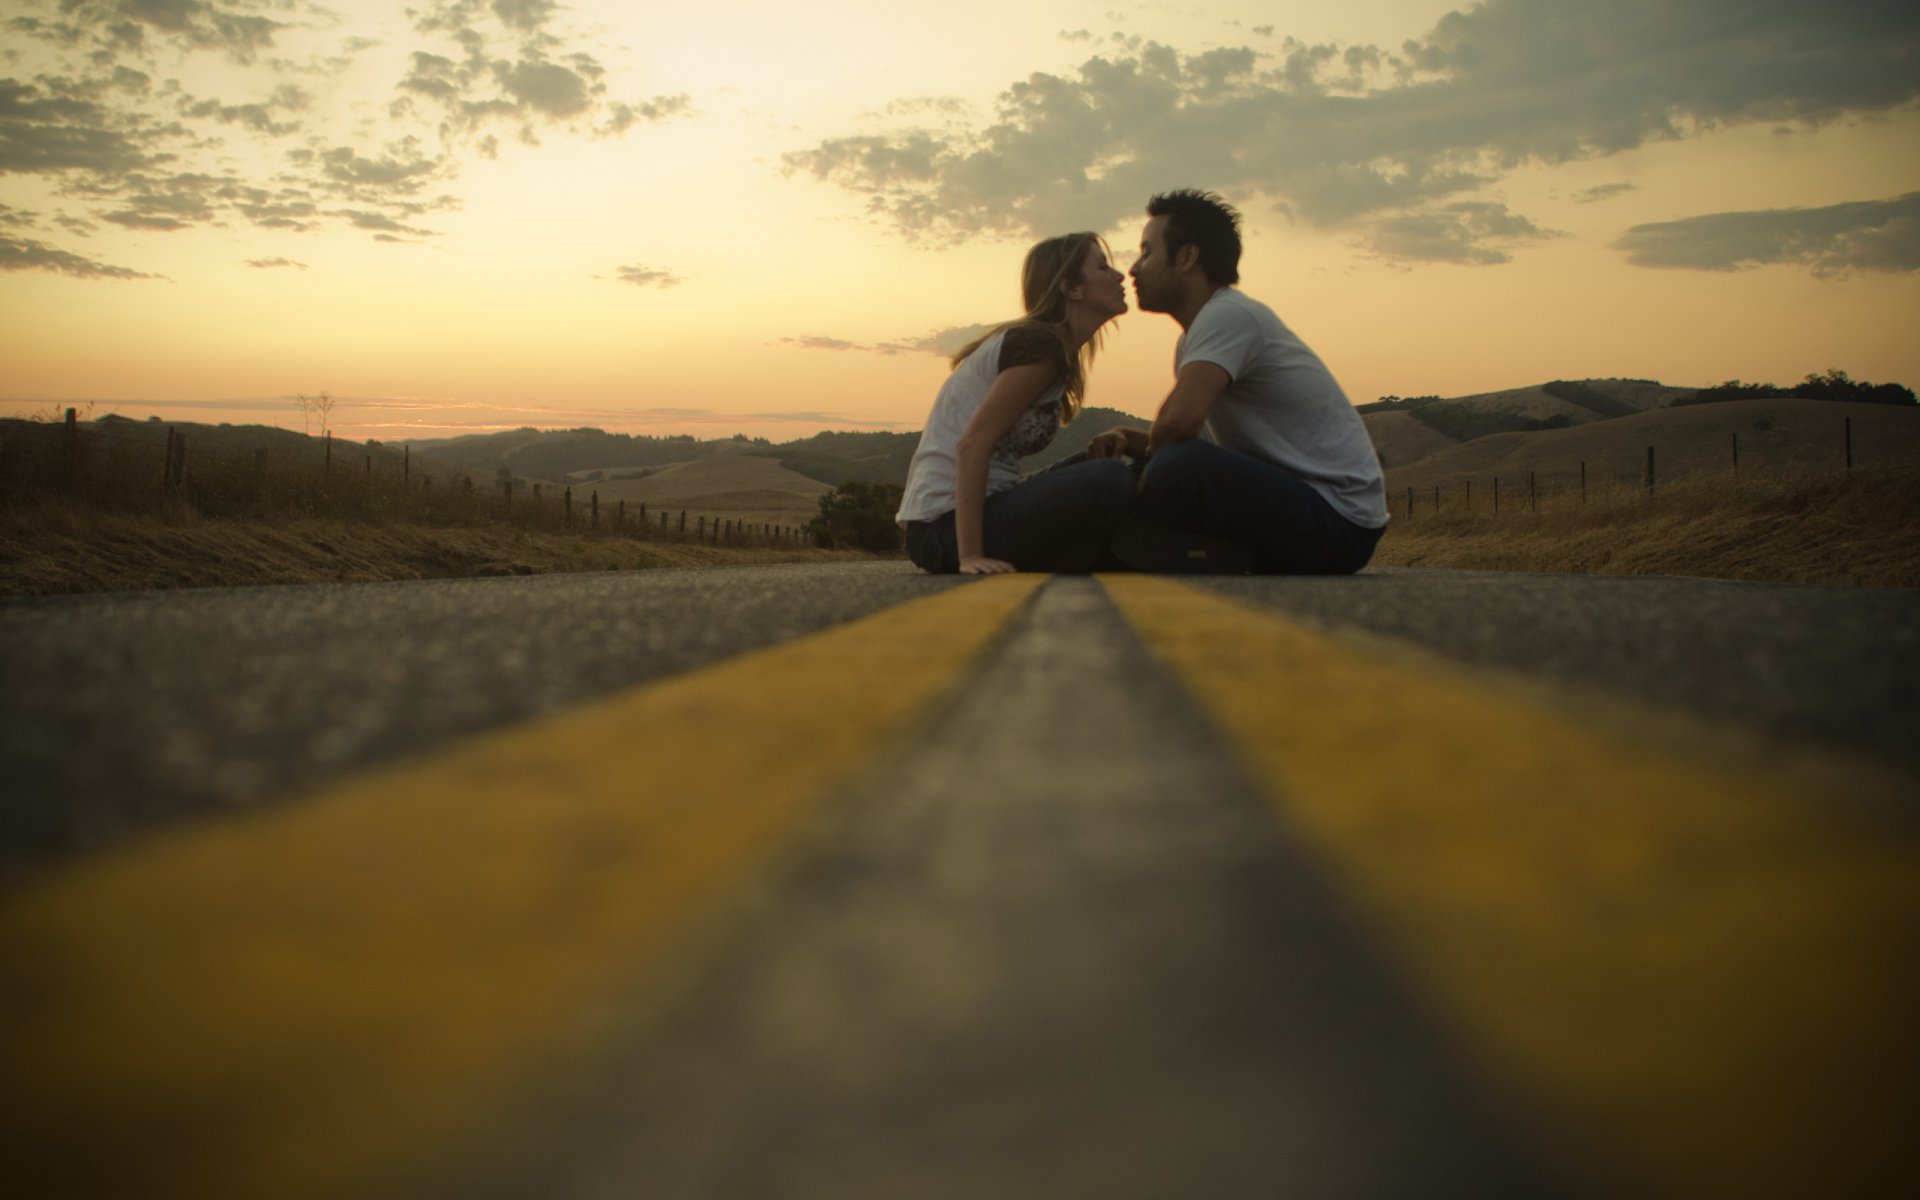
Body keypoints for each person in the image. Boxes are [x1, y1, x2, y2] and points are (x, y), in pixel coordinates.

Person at [1086, 190, 1389, 574]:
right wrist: (1132, 439)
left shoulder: (1228, 316)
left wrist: (1144, 469)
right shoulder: (1199, 334)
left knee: (1177, 466)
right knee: (1161, 465)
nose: (1134, 268)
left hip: (1339, 525)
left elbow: (1178, 427)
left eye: (1146, 252)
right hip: (1308, 508)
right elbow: (1203, 445)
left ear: (1187, 257)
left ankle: (1121, 543)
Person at [897, 232, 1136, 574]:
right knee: (1109, 478)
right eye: (1102, 267)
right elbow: (971, 445)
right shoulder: (1040, 346)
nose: (1118, 275)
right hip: (942, 531)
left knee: (1104, 466)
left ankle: (1090, 554)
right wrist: (971, 557)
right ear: (1072, 288)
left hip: (975, 516)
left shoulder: (1052, 350)